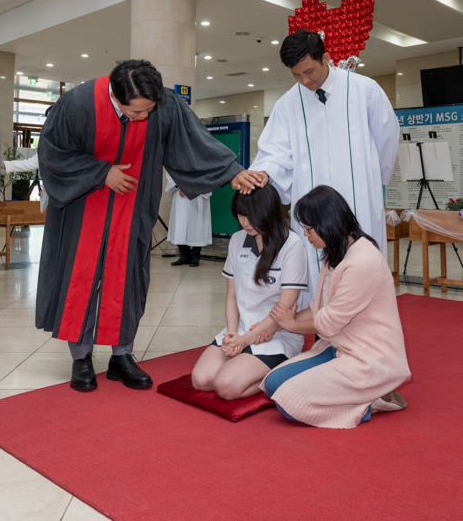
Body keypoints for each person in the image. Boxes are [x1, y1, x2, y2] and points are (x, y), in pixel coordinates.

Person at [36, 60, 244, 393]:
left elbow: (192, 142)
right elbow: (52, 153)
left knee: (129, 280)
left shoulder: (164, 104)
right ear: (115, 96)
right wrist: (102, 173)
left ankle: (122, 356)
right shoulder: (77, 104)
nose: (143, 118)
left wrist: (232, 171)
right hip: (81, 209)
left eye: (148, 111)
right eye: (136, 113)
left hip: (131, 211)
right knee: (80, 281)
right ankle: (81, 358)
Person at [231, 29, 400, 298]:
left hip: (359, 201)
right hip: (312, 207)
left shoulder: (364, 90)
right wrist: (265, 171)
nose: (305, 80)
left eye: (309, 71)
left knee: (361, 267)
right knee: (317, 273)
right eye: (296, 75)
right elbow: (275, 151)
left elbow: (387, 138)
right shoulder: (288, 103)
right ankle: (322, 330)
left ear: (326, 58)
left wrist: (373, 180)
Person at [259, 185, 410, 429]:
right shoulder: (336, 252)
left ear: (327, 223)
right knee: (274, 383)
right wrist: (279, 325)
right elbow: (318, 307)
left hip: (368, 358)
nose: (306, 235)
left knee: (289, 404)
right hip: (337, 347)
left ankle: (370, 400)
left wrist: (290, 324)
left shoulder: (363, 261)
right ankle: (357, 394)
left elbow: (327, 323)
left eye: (309, 229)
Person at [191, 184, 308, 400]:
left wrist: (244, 342)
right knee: (201, 380)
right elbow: (232, 296)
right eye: (241, 215)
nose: (245, 222)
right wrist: (233, 334)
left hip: (275, 334)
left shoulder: (292, 245)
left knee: (226, 386)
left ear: (269, 212)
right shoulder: (237, 240)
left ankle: (281, 374)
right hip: (242, 328)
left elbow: (285, 308)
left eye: (251, 216)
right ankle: (246, 360)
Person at [0, 106, 53, 211]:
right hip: (53, 197)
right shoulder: (48, 140)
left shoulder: (75, 137)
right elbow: (33, 162)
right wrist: (4, 165)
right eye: (48, 119)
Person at [165, 171, 212, 267]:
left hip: (197, 192)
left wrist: (189, 188)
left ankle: (195, 256)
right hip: (180, 193)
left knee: (198, 226)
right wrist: (181, 186)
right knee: (179, 226)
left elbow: (206, 171)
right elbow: (171, 171)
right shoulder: (176, 156)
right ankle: (184, 255)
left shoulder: (202, 156)